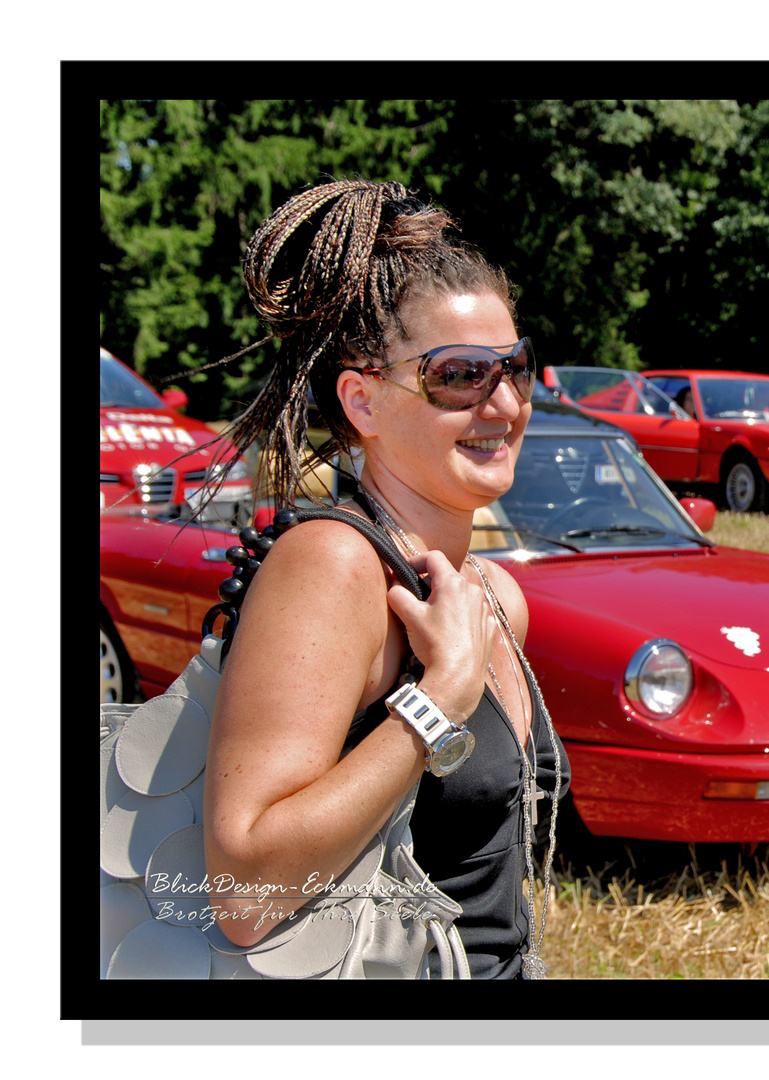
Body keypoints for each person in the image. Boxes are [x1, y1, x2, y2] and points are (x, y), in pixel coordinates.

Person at [200, 179, 568, 980]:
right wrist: (435, 706)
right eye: (458, 376)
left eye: (515, 368)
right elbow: (241, 891)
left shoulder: (496, 597)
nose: (502, 402)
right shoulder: (333, 567)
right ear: (362, 400)